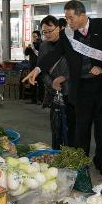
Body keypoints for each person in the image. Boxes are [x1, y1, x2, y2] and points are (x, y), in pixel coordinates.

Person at [23, 0, 102, 177]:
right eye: (66, 18)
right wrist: (37, 68)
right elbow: (55, 54)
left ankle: (101, 161)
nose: (68, 22)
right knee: (82, 129)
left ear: (82, 14)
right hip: (81, 87)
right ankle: (82, 162)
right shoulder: (68, 34)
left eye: (70, 18)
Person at [38, 15, 75, 149]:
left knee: (72, 127)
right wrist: (52, 83)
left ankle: (72, 156)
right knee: (56, 126)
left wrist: (65, 77)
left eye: (50, 30)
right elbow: (41, 70)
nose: (47, 34)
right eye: (44, 32)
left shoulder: (71, 43)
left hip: (71, 92)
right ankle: (56, 154)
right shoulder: (43, 46)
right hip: (54, 93)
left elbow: (77, 66)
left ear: (58, 28)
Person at [24, 30, 42, 104]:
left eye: (35, 36)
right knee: (32, 82)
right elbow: (26, 53)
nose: (34, 38)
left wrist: (34, 46)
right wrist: (27, 48)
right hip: (32, 66)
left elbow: (40, 53)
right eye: (33, 36)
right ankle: (33, 99)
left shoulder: (41, 43)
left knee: (40, 83)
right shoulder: (32, 45)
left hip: (39, 67)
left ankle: (40, 100)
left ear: (38, 36)